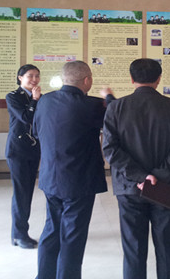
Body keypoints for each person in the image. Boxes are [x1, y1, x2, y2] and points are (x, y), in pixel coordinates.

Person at [102, 58, 170, 279]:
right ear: (159, 79)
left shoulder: (116, 108)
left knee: (133, 250)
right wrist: (157, 176)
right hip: (167, 187)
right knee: (168, 249)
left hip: (130, 187)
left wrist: (140, 177)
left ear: (131, 79)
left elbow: (110, 149)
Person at [33, 61, 114, 279]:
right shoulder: (92, 105)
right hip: (79, 181)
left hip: (51, 177)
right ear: (87, 80)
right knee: (73, 236)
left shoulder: (45, 101)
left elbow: (37, 130)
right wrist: (109, 97)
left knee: (51, 230)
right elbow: (117, 119)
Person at [6, 64, 42, 249]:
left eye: (37, 76)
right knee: (21, 193)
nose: (34, 79)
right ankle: (19, 235)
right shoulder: (13, 97)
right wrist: (35, 100)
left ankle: (18, 234)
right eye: (30, 76)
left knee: (27, 192)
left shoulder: (41, 97)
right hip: (18, 150)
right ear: (20, 78)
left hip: (33, 149)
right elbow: (26, 117)